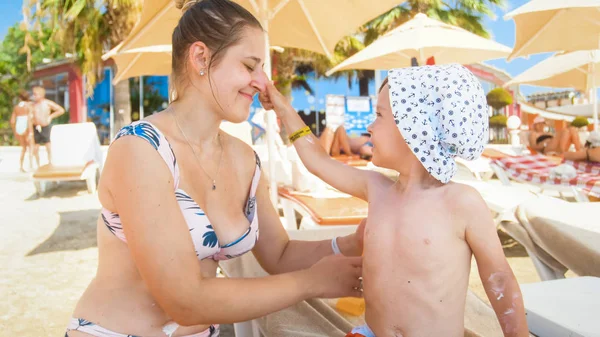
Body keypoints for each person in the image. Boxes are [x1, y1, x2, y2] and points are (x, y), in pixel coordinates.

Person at [65, 1, 363, 337]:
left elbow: (279, 253)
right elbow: (185, 300)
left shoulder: (244, 159)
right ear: (201, 58)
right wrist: (310, 283)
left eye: (261, 68)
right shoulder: (141, 149)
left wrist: (350, 243)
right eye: (250, 66)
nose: (262, 82)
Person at [260, 64, 529, 337]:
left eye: (379, 115)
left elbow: (499, 279)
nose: (369, 126)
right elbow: (317, 161)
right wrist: (284, 109)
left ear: (414, 126)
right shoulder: (376, 188)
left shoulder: (460, 203)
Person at [31, 85, 65, 166]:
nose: (34, 96)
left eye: (36, 94)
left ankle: (50, 161)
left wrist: (50, 116)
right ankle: (37, 164)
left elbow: (60, 110)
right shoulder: (33, 105)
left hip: (45, 125)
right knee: (36, 146)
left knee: (48, 144)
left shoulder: (47, 103)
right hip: (36, 126)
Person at [10, 90, 34, 172]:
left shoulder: (16, 107)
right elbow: (29, 119)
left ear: (20, 98)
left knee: (23, 148)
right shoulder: (28, 106)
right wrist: (30, 131)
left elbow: (12, 121)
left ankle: (21, 166)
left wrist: (15, 131)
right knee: (31, 146)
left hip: (19, 125)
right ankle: (31, 166)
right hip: (26, 125)